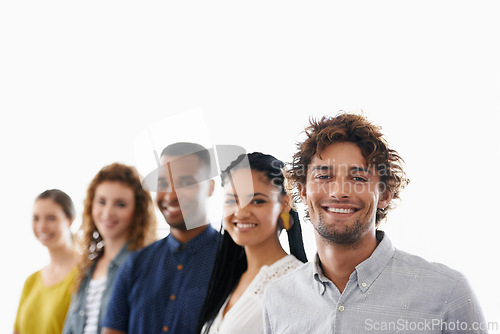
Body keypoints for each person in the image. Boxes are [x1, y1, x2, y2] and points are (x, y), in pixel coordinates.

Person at [263, 113, 487, 333]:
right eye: (324, 176)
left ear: (385, 194)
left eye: (358, 178)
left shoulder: (447, 293)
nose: (339, 192)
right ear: (302, 191)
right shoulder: (277, 299)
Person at [102, 142, 219, 334]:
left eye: (185, 183)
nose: (171, 195)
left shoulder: (232, 260)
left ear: (210, 187)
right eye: (162, 183)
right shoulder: (135, 264)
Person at [197, 152, 307, 334]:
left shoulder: (296, 284)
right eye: (232, 200)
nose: (241, 212)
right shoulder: (230, 277)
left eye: (257, 201)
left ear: (284, 204)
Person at [62, 163, 157, 334]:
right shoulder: (88, 267)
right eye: (101, 202)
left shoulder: (143, 267)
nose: (107, 212)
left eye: (120, 204)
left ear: (138, 211)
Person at [14, 189, 78, 334]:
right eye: (36, 218)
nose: (41, 226)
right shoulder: (31, 281)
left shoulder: (84, 275)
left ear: (69, 220)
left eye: (51, 218)